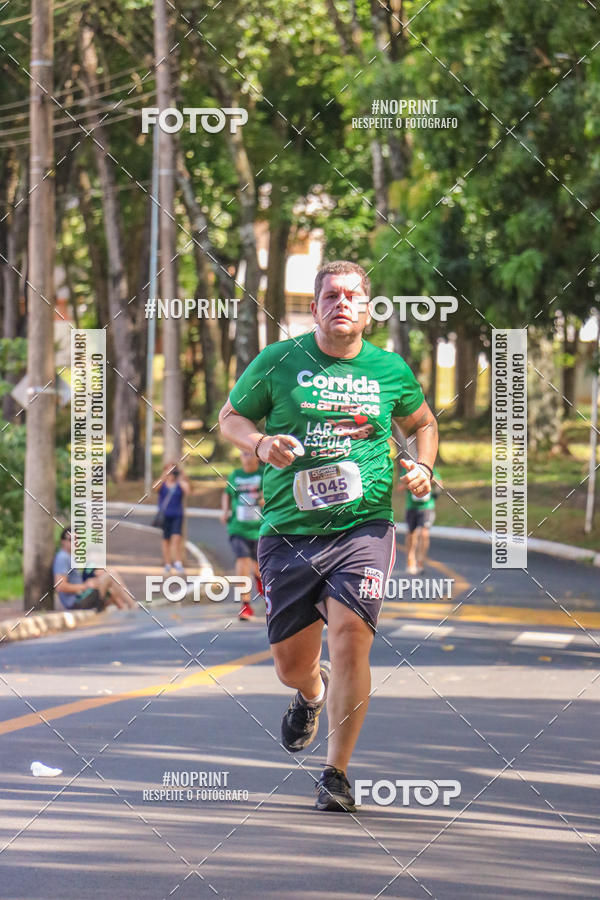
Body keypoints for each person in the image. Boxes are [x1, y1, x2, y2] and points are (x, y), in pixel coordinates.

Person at [219, 259, 438, 812]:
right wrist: (261, 443)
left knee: (350, 638)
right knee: (292, 663)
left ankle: (335, 773)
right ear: (314, 308)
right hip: (290, 532)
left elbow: (424, 425)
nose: (341, 303)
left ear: (368, 310)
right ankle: (309, 693)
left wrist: (423, 467)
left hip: (364, 526)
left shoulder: (390, 370)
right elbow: (229, 418)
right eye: (330, 295)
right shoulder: (279, 361)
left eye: (352, 296)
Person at [221, 449, 265, 620]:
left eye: (249, 454)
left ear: (257, 456)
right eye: (243, 454)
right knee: (242, 560)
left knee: (258, 567)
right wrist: (225, 511)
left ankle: (259, 579)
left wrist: (264, 499)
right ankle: (245, 604)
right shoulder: (235, 475)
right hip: (238, 527)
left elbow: (271, 496)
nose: (246, 458)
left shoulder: (263, 474)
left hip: (260, 528)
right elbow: (227, 494)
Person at [53, 528, 135, 610]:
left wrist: (93, 577)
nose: (75, 542)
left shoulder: (70, 557)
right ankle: (133, 606)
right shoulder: (62, 557)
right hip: (76, 602)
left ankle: (126, 609)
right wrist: (85, 586)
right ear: (63, 541)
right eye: (71, 539)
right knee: (111, 575)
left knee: (110, 585)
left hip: (82, 597)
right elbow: (60, 586)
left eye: (78, 539)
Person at [400, 463, 442, 574]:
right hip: (411, 506)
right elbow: (399, 486)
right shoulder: (407, 469)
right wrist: (410, 484)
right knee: (411, 534)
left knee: (424, 533)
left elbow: (439, 483)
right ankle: (410, 559)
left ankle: (420, 562)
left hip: (427, 506)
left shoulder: (430, 467)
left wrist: (429, 479)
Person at [156, 461, 190, 573]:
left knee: (176, 539)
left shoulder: (179, 484)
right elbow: (154, 488)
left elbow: (188, 491)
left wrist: (182, 476)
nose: (171, 473)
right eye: (169, 471)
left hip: (177, 515)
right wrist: (164, 476)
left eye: (173, 471)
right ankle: (167, 564)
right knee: (166, 540)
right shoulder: (163, 484)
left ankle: (178, 562)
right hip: (165, 516)